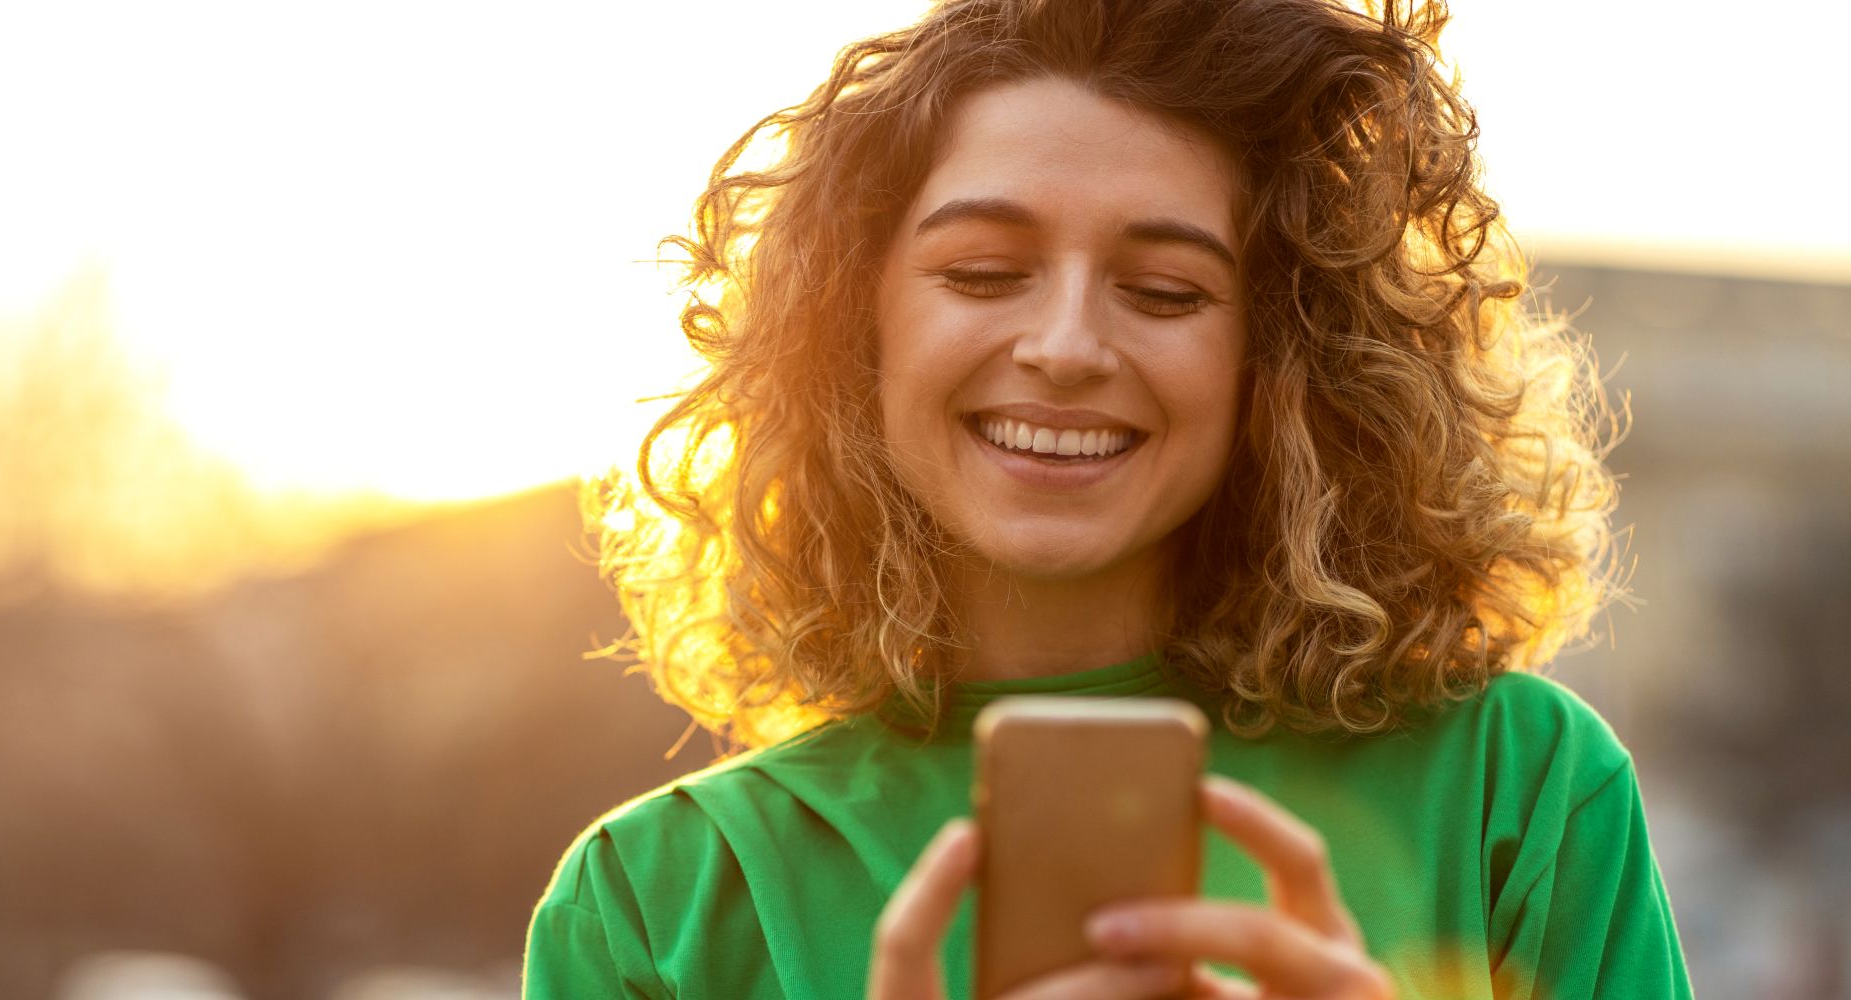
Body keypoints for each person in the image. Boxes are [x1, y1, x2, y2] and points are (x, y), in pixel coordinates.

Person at [524, 0, 1694, 996]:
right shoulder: (653, 900)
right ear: (852, 327)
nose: (1069, 344)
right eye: (983, 271)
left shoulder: (1515, 782)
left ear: (1277, 359)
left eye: (1167, 289)